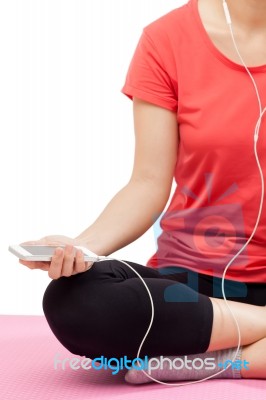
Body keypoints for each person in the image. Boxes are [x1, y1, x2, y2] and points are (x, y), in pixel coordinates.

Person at [19, 0, 266, 384]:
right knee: (73, 300)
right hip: (192, 289)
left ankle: (209, 360)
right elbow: (148, 183)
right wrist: (79, 250)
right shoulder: (167, 39)